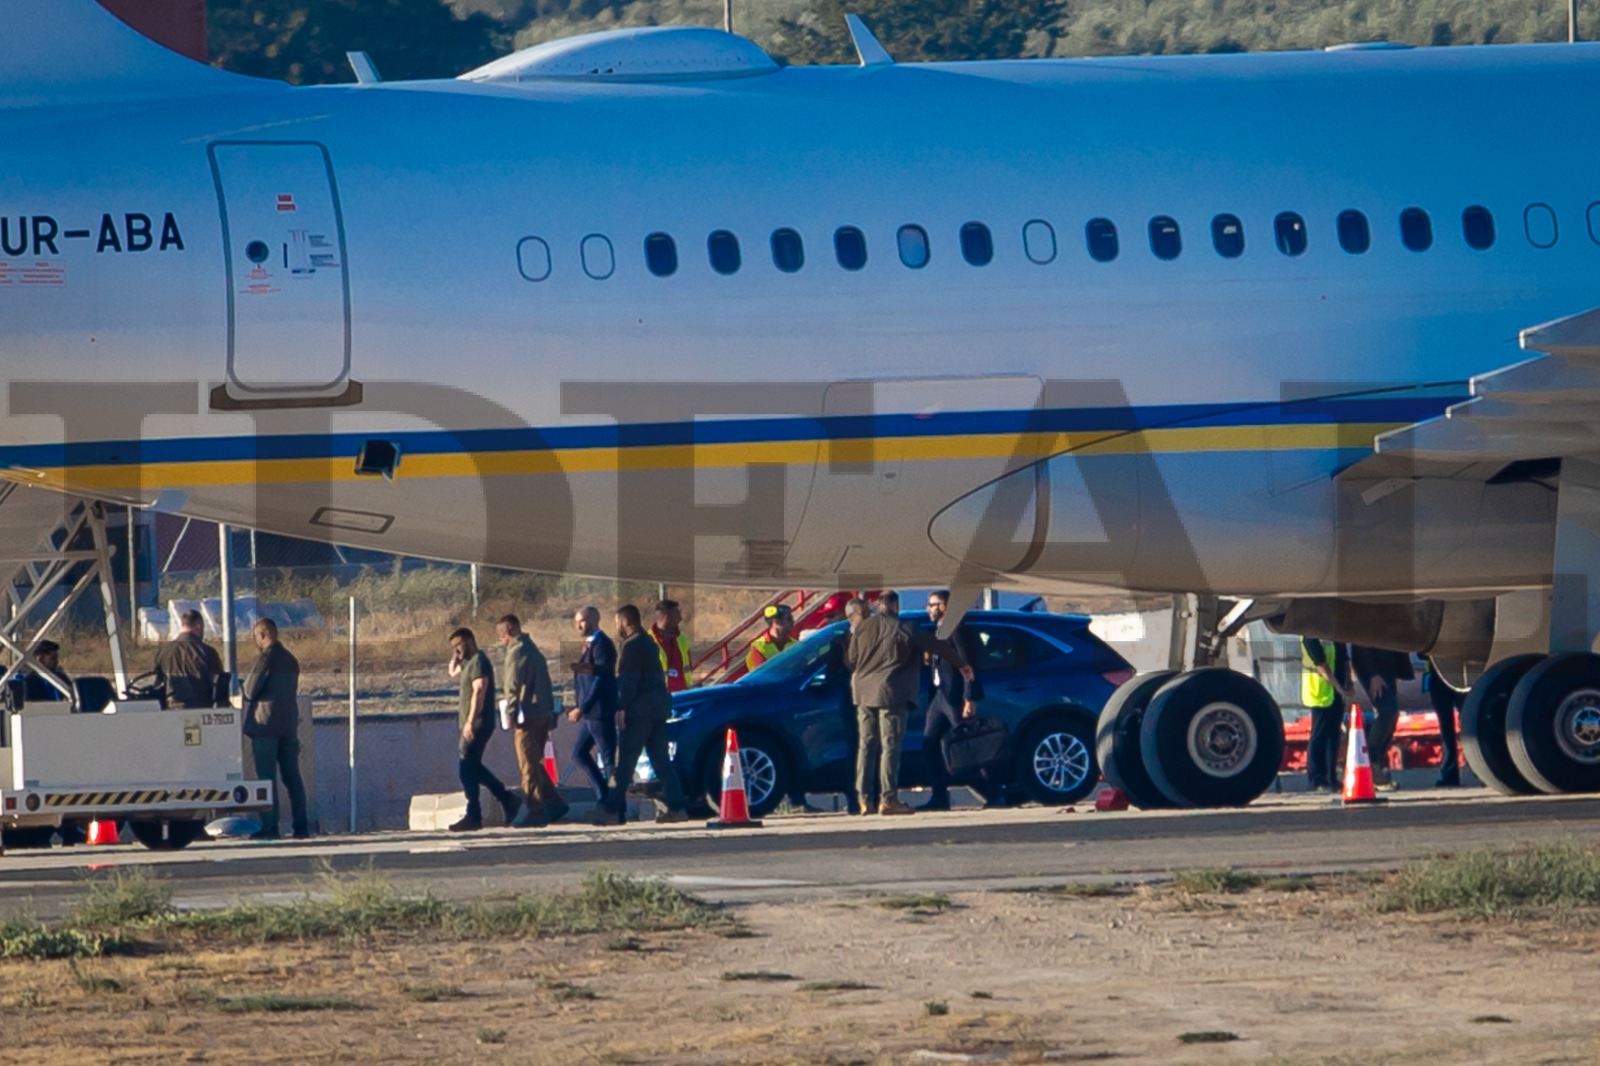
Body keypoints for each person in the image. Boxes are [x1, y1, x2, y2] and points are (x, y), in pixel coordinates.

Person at [846, 591, 971, 815]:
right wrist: (961, 663)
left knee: (866, 746)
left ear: (878, 606)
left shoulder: (862, 628)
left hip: (862, 693)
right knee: (890, 746)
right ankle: (888, 799)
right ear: (895, 606)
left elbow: (852, 659)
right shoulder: (905, 628)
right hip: (891, 693)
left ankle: (863, 799)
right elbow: (937, 645)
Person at [594, 603, 688, 825]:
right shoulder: (648, 642)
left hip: (640, 711)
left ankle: (612, 810)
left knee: (626, 760)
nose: (617, 626)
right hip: (658, 709)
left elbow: (629, 680)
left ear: (626, 621)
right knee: (661, 760)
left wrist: (621, 707)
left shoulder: (632, 645)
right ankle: (676, 806)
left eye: (618, 622)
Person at [497, 614, 568, 827]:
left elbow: (512, 685)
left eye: (501, 637)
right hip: (543, 713)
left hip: (527, 715)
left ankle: (535, 810)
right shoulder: (534, 650)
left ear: (507, 634)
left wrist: (509, 713)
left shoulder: (516, 652)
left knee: (527, 764)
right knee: (536, 762)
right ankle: (554, 802)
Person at [240, 619, 309, 840]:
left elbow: (250, 691)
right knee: (293, 778)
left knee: (266, 780)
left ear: (261, 635)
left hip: (265, 726)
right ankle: (302, 826)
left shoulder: (265, 658)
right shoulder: (291, 660)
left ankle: (270, 826)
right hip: (288, 726)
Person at [447, 626, 520, 832]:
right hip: (472, 723)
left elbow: (479, 692)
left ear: (469, 641)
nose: (456, 650)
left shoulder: (478, 661)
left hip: (478, 723)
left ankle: (475, 813)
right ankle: (507, 800)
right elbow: (452, 672)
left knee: (465, 766)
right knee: (473, 766)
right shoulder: (468, 662)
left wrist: (470, 722)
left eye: (458, 645)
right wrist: (456, 655)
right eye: (453, 647)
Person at [919, 589, 985, 812]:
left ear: (945, 606)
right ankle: (939, 796)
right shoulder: (939, 630)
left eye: (933, 604)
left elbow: (966, 664)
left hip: (955, 696)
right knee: (930, 743)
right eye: (928, 604)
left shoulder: (956, 629)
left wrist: (969, 698)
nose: (928, 609)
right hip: (940, 695)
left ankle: (992, 790)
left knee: (967, 745)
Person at [568, 606, 618, 807]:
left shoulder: (602, 644)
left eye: (581, 621)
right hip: (590, 714)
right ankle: (603, 796)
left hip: (598, 711)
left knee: (608, 758)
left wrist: (583, 707)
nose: (578, 626)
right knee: (579, 754)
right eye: (577, 622)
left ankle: (614, 802)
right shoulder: (590, 645)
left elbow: (600, 679)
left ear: (592, 620)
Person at [1350, 644, 1414, 790]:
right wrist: (1372, 674)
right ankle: (1371, 763)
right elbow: (1361, 641)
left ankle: (1377, 765)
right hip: (1374, 668)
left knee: (1392, 715)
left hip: (1388, 666)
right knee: (1387, 711)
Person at [1300, 637, 1349, 793]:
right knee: (1319, 735)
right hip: (1320, 692)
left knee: (1333, 735)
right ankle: (1317, 779)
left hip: (1336, 692)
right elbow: (1321, 664)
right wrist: (1339, 688)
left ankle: (1331, 778)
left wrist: (1348, 683)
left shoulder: (1333, 634)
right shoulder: (1310, 636)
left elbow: (1343, 658)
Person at [153, 608, 224, 709]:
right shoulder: (207, 651)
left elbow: (158, 683)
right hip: (202, 709)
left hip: (172, 709)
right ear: (198, 627)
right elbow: (219, 685)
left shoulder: (163, 651)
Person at [1425, 660, 1464, 787]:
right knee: (1451, 727)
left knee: (1449, 728)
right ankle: (1451, 773)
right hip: (1450, 676)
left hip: (1447, 674)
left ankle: (1450, 774)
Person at [648, 599, 695, 694]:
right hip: (659, 698)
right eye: (677, 615)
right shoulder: (648, 641)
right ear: (667, 617)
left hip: (683, 696)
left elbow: (688, 668)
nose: (680, 619)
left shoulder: (682, 639)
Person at [746, 604, 795, 673]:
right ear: (776, 621)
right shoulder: (758, 646)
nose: (793, 622)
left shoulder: (795, 644)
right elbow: (762, 675)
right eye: (789, 619)